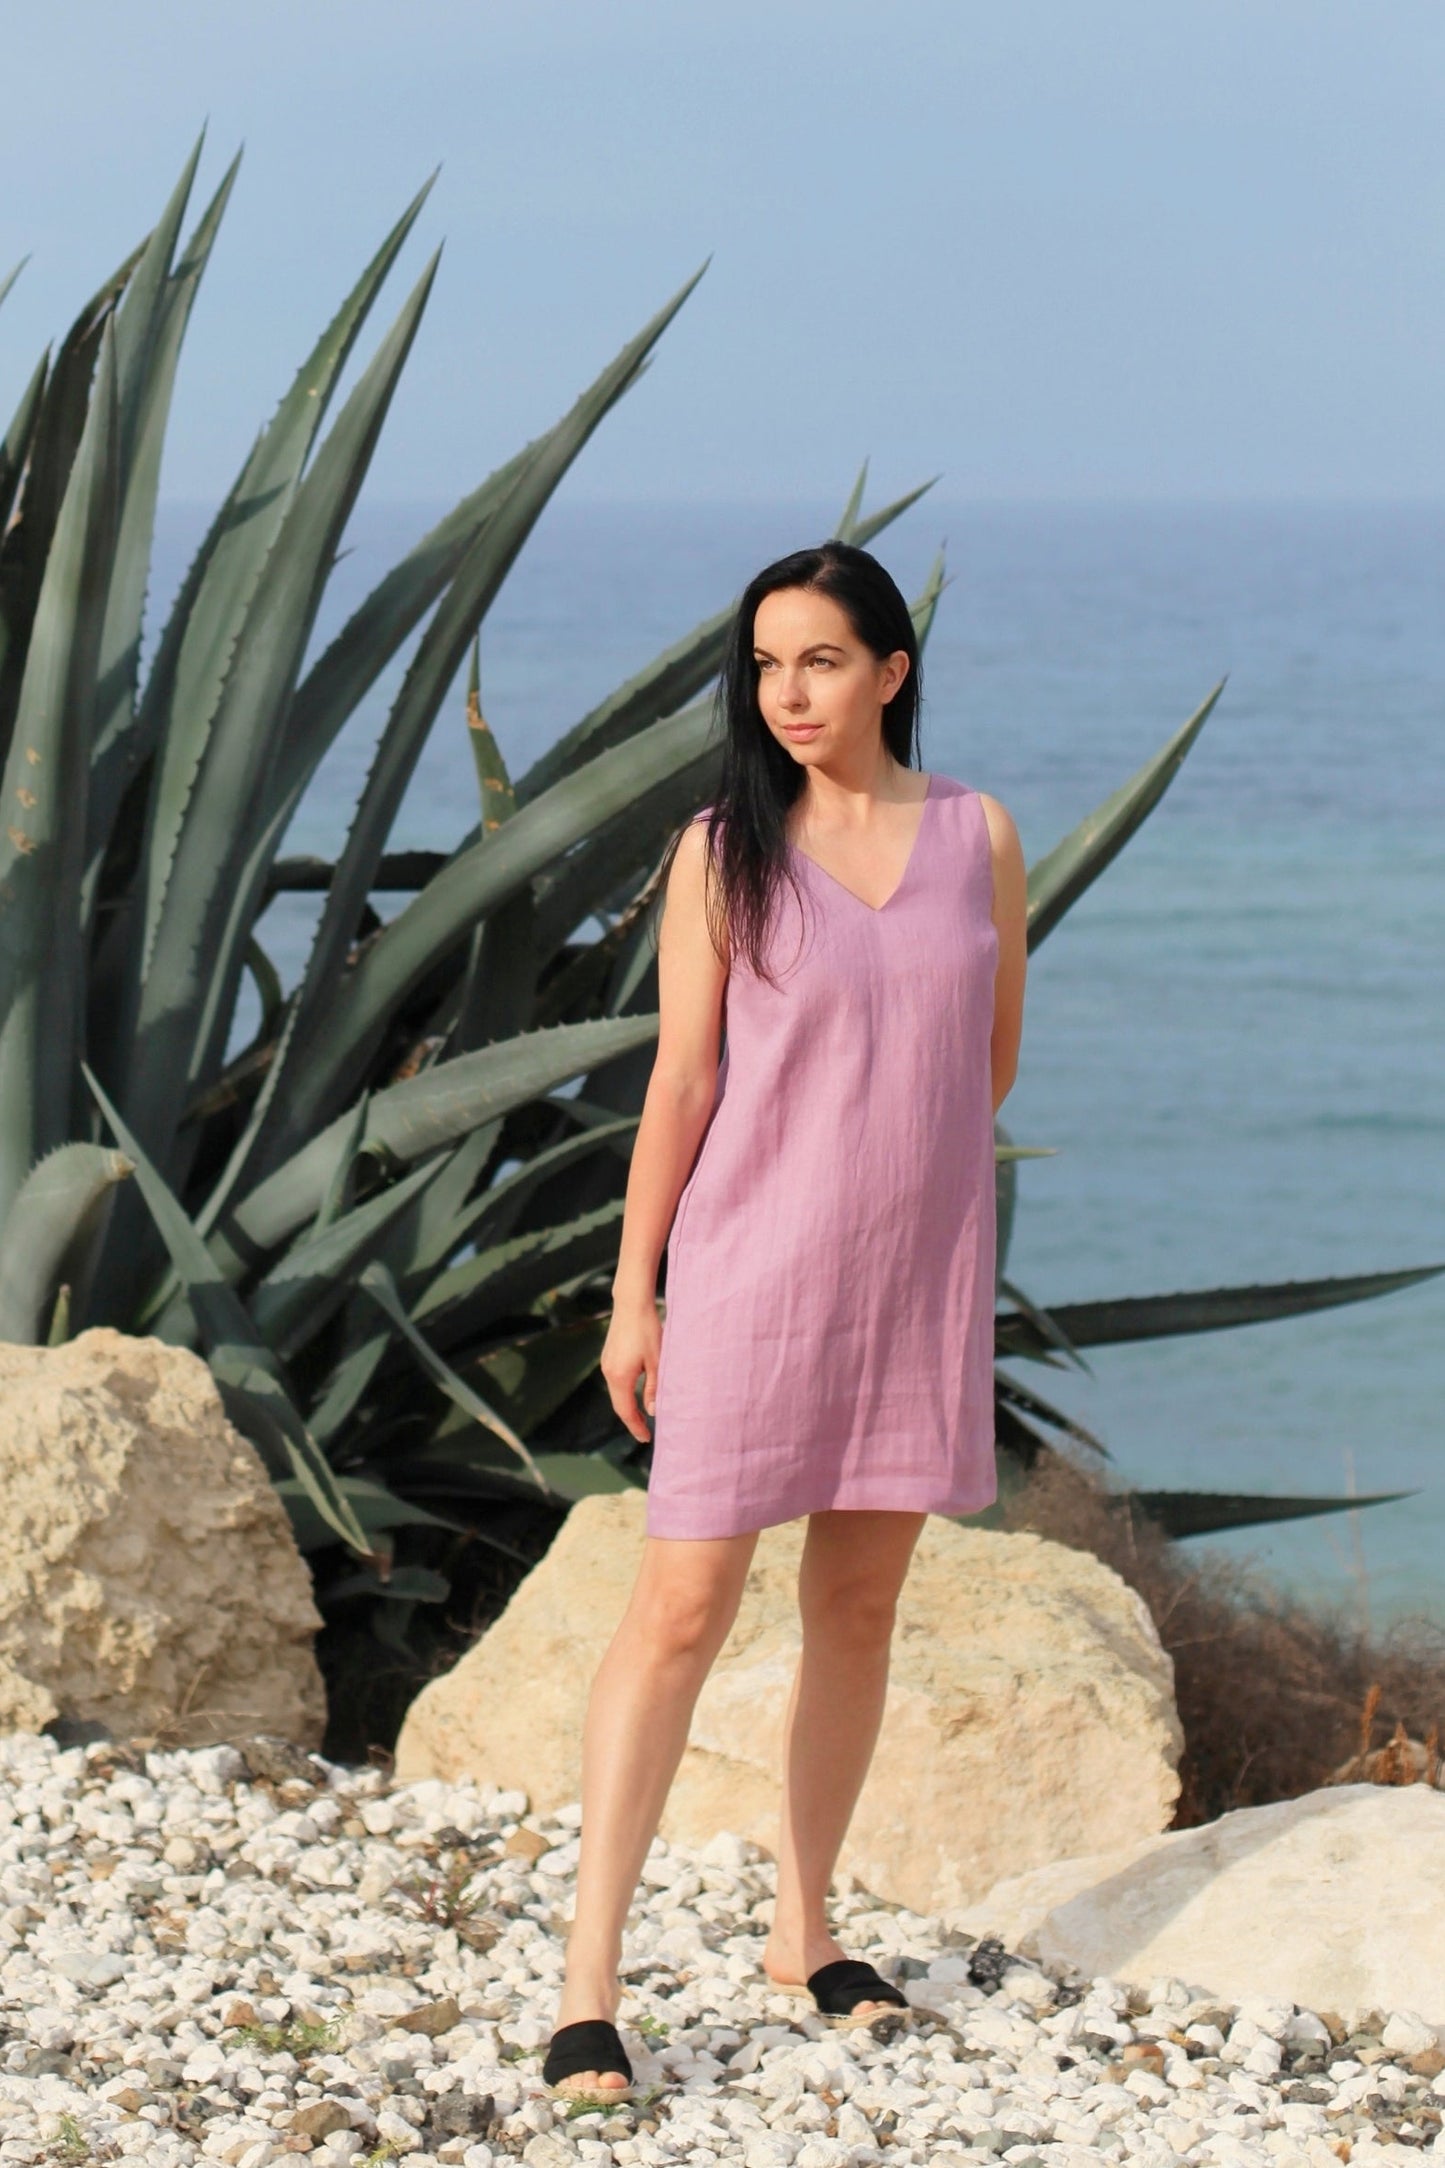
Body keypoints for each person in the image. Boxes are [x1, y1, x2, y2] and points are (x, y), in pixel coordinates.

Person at [542, 540, 1029, 2105]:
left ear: (891, 670)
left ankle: (805, 1928)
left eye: (818, 660)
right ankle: (586, 1988)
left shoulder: (979, 836)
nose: (786, 693)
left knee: (860, 1610)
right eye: (764, 664)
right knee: (678, 1613)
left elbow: (985, 1065)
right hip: (750, 1281)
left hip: (912, 1284)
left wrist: (896, 1191)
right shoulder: (719, 850)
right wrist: (639, 1292)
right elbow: (678, 1083)